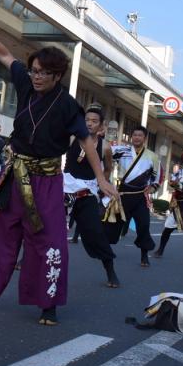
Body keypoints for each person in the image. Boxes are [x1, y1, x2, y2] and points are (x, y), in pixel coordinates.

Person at [0, 3, 117, 326]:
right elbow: (4, 55)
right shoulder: (25, 85)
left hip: (47, 181)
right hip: (13, 174)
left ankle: (48, 303)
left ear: (58, 75)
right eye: (34, 70)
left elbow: (86, 144)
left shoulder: (69, 107)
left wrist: (101, 178)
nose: (36, 76)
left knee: (49, 242)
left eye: (43, 73)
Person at [62, 103, 119, 287]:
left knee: (95, 233)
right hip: (64, 189)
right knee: (46, 226)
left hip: (87, 192)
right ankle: (27, 259)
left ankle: (110, 271)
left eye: (94, 121)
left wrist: (103, 184)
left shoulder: (105, 147)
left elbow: (108, 168)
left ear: (101, 126)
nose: (89, 124)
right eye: (87, 120)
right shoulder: (72, 138)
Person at [105, 124, 161, 267]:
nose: (136, 138)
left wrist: (152, 188)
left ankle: (144, 256)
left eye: (140, 135)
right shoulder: (121, 150)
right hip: (123, 194)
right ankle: (105, 251)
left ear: (145, 138)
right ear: (131, 137)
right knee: (114, 223)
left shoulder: (152, 157)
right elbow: (104, 153)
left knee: (144, 225)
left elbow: (157, 178)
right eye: (134, 135)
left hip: (140, 196)